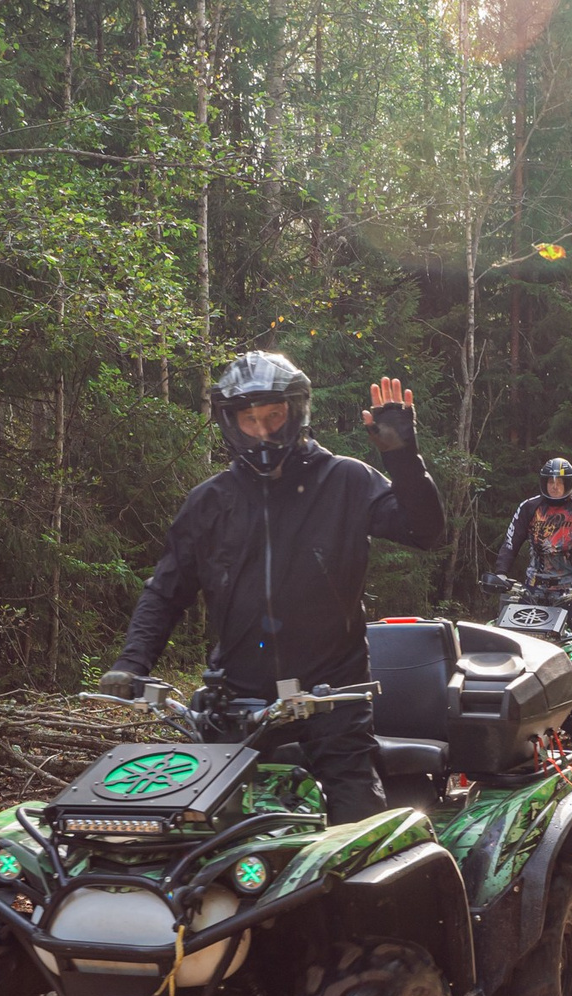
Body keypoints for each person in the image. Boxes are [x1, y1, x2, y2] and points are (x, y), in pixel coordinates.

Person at [99, 352, 446, 824]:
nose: (262, 430)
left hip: (332, 700)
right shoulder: (210, 501)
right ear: (231, 423)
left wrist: (403, 457)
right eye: (249, 419)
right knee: (198, 837)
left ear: (296, 412)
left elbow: (425, 532)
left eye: (273, 416)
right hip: (234, 705)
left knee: (359, 839)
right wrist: (131, 664)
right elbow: (166, 589)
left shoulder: (345, 479)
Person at [495, 457, 572, 590]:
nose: (555, 487)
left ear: (568, 484)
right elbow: (511, 542)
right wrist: (501, 573)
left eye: (560, 482)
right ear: (544, 483)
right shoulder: (528, 507)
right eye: (550, 482)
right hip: (534, 586)